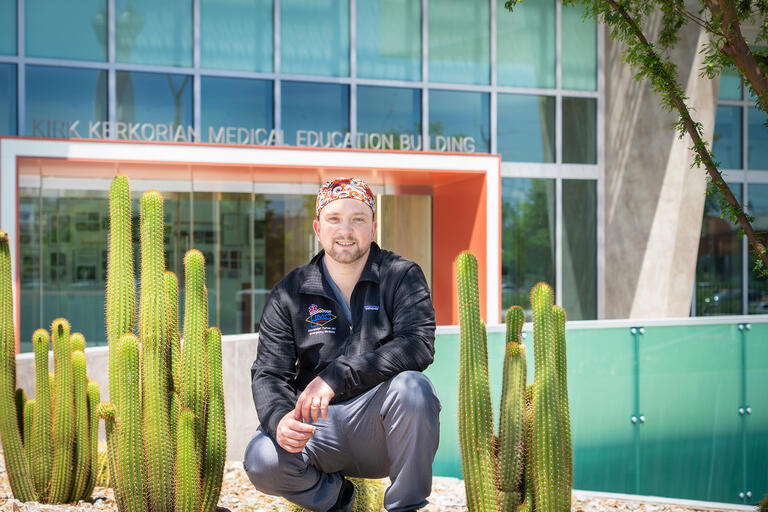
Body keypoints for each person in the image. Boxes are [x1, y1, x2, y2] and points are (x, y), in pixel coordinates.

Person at [244, 177, 440, 512]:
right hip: (318, 430)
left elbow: (418, 344)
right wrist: (279, 420)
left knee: (413, 388)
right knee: (261, 457)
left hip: (380, 426)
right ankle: (339, 500)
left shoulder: (401, 275)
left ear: (373, 227)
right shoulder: (289, 292)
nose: (346, 230)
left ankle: (405, 507)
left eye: (358, 219)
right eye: (334, 219)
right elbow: (268, 373)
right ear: (318, 228)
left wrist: (336, 376)